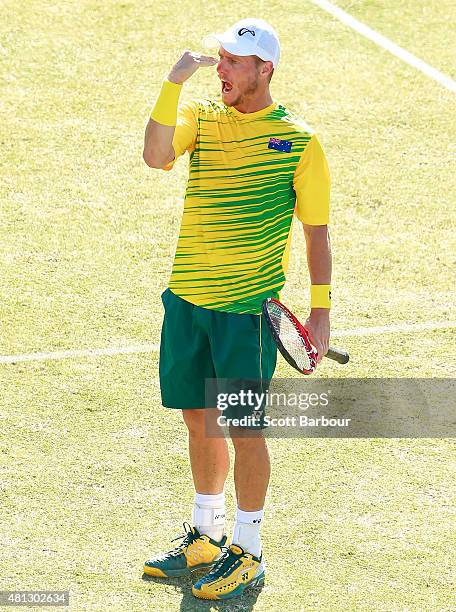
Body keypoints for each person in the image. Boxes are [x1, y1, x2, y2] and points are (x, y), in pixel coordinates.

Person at [142, 17, 332, 601]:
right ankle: (206, 533)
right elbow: (154, 156)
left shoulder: (299, 141)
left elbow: (316, 233)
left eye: (232, 61)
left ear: (264, 69)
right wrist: (172, 85)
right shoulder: (202, 116)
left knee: (244, 428)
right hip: (189, 301)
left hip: (246, 312)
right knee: (197, 416)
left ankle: (247, 551)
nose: (219, 69)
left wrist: (320, 311)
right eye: (218, 58)